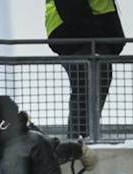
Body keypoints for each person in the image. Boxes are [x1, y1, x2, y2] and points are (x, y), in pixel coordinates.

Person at [47, 0, 127, 138]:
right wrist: (102, 37)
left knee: (90, 86)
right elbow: (71, 9)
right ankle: (81, 140)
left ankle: (81, 139)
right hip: (79, 36)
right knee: (88, 85)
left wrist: (112, 41)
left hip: (84, 37)